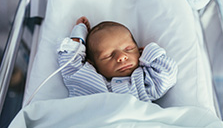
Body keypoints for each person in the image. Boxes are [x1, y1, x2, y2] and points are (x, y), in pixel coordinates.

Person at [57, 16, 178, 102]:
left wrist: (149, 53)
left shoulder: (142, 81)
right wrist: (79, 34)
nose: (121, 57)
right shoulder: (85, 78)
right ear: (92, 63)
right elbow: (69, 60)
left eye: (129, 49)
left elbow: (167, 74)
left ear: (139, 51)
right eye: (108, 56)